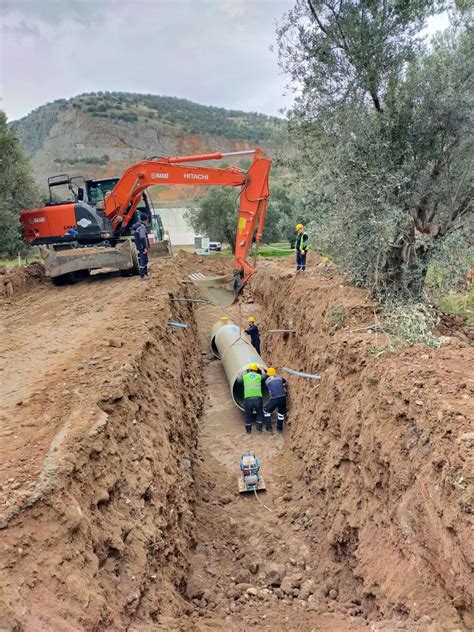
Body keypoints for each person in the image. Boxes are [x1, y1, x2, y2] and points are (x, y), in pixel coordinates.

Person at [236, 363, 265, 433]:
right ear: (256, 370)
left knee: (248, 414)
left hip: (248, 398)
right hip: (258, 398)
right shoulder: (258, 376)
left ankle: (248, 430)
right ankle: (259, 429)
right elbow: (264, 376)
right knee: (259, 413)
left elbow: (238, 381)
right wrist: (262, 369)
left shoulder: (245, 376)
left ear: (249, 370)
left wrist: (240, 374)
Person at [263, 367, 288, 433]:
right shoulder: (279, 377)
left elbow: (267, 389)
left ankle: (269, 428)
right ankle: (279, 429)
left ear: (268, 374)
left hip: (275, 398)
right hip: (283, 397)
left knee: (266, 411)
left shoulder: (267, 380)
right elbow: (285, 382)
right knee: (281, 414)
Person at [131, 213, 150, 279]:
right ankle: (142, 275)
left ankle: (145, 273)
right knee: (143, 260)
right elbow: (142, 238)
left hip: (140, 246)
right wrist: (144, 247)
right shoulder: (142, 227)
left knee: (145, 260)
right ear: (146, 219)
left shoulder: (138, 226)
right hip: (142, 247)